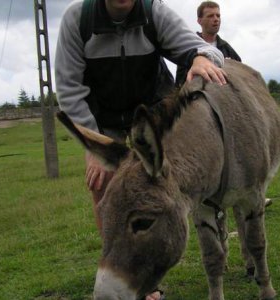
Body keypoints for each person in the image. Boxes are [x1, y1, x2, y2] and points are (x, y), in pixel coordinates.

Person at [55, 1, 226, 299]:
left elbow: (210, 51)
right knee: (102, 185)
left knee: (160, 189)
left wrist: (199, 58)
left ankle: (149, 268)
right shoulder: (76, 19)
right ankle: (122, 268)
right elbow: (69, 90)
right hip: (104, 122)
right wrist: (93, 145)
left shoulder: (154, 12)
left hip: (152, 120)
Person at [175, 1, 241, 86]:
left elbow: (240, 79)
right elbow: (180, 82)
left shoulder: (227, 50)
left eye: (218, 15)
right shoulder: (189, 48)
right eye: (210, 16)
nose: (216, 19)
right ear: (199, 21)